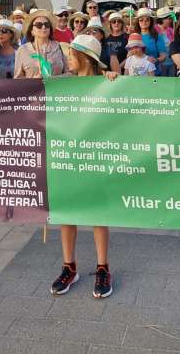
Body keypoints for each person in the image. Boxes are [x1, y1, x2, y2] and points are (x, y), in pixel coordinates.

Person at [51, 34, 118, 298]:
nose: (67, 59)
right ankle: (69, 267)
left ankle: (103, 267)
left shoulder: (105, 82)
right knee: (67, 211)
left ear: (84, 57)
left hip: (96, 156)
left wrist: (113, 80)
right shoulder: (64, 85)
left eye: (70, 55)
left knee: (98, 213)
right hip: (68, 156)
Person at [14, 10, 67, 78]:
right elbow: (17, 78)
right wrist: (33, 80)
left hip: (56, 87)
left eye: (46, 24)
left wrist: (54, 78)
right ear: (32, 31)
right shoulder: (23, 50)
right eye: (39, 25)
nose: (43, 27)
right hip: (33, 88)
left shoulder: (58, 46)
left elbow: (68, 72)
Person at [134, 8, 168, 75]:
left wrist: (156, 60)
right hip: (137, 74)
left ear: (151, 21)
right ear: (138, 22)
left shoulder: (157, 36)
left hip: (155, 73)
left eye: (147, 20)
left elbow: (163, 56)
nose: (144, 22)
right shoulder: (134, 36)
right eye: (141, 20)